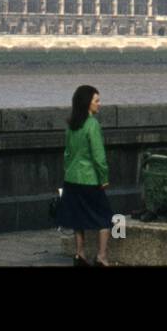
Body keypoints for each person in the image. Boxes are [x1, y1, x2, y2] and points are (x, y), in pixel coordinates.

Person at [56, 84, 114, 266]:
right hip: (90, 179)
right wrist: (104, 178)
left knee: (77, 217)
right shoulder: (92, 125)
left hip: (72, 179)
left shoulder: (72, 125)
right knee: (104, 217)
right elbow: (99, 157)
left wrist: (69, 171)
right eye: (96, 100)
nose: (99, 104)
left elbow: (67, 154)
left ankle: (79, 254)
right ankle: (102, 256)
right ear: (87, 103)